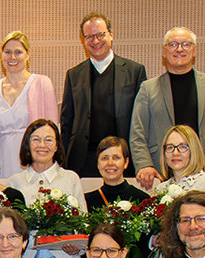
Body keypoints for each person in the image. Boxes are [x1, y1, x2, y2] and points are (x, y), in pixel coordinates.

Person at [130, 27, 205, 189]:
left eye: (186, 44)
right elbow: (137, 133)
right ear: (164, 52)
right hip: (163, 174)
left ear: (194, 50)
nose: (179, 49)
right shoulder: (148, 88)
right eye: (173, 44)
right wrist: (144, 164)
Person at [61, 12, 148, 178]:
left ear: (111, 34)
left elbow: (142, 121)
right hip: (83, 160)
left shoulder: (134, 71)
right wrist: (63, 162)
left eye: (100, 34)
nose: (95, 41)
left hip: (123, 159)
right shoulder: (74, 75)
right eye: (89, 36)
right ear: (83, 40)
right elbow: (66, 123)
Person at [6, 119, 86, 258]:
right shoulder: (14, 182)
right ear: (27, 145)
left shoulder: (70, 179)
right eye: (36, 139)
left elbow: (83, 223)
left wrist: (77, 248)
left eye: (48, 140)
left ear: (57, 146)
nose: (42, 145)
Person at [0, 31, 58, 174]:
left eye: (18, 52)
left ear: (27, 54)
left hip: (33, 159)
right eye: (8, 52)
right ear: (1, 55)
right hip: (2, 160)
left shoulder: (42, 83)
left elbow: (52, 129)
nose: (12, 57)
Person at [155, 125, 205, 205]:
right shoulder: (161, 188)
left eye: (183, 147)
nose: (175, 153)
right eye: (170, 147)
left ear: (194, 150)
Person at [83, 137, 149, 212]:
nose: (110, 163)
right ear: (98, 164)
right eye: (104, 158)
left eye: (116, 158)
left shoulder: (142, 200)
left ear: (126, 162)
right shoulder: (86, 201)